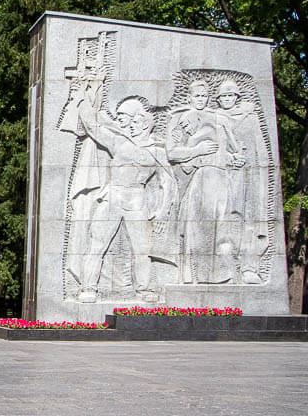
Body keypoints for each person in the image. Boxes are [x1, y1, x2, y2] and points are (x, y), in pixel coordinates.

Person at [73, 92, 176, 303]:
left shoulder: (157, 151)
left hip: (137, 200)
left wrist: (163, 211)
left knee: (142, 250)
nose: (135, 126)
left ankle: (144, 290)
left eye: (139, 121)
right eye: (133, 121)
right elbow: (93, 128)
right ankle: (88, 288)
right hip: (113, 197)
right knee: (97, 244)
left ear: (147, 124)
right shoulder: (119, 142)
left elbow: (168, 182)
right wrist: (83, 99)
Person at [166, 80, 243, 283]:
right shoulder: (179, 118)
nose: (200, 99)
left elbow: (233, 149)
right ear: (189, 97)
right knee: (195, 229)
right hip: (199, 178)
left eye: (204, 96)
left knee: (222, 229)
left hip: (221, 179)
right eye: (197, 96)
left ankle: (222, 276)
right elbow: (172, 152)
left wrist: (235, 158)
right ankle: (192, 277)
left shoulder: (219, 119)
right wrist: (196, 151)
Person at [215, 79, 268, 283]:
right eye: (223, 96)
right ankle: (225, 267)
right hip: (223, 177)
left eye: (230, 96)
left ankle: (249, 268)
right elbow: (213, 147)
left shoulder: (250, 117)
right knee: (226, 221)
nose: (227, 99)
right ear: (218, 100)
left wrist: (257, 171)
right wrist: (229, 158)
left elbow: (260, 149)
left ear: (237, 98)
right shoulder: (216, 117)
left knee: (250, 223)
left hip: (248, 177)